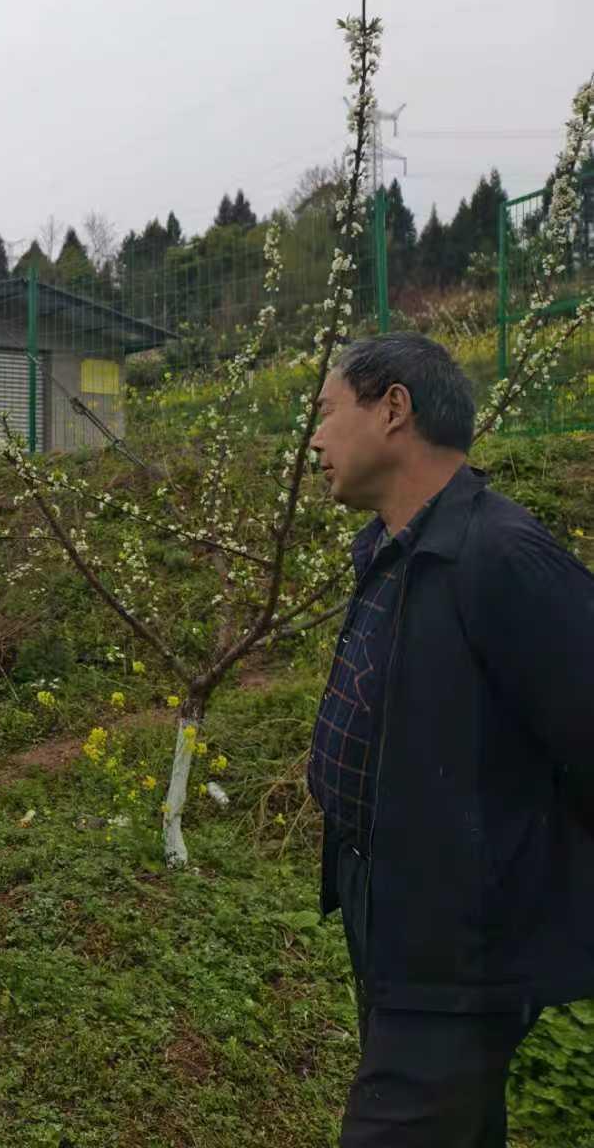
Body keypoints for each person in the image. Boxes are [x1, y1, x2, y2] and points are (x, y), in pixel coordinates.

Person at [307, 332, 594, 1147]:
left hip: (459, 948)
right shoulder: (391, 548)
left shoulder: (501, 557)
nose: (314, 440)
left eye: (326, 412)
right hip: (391, 914)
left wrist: (511, 880)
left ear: (392, 409)